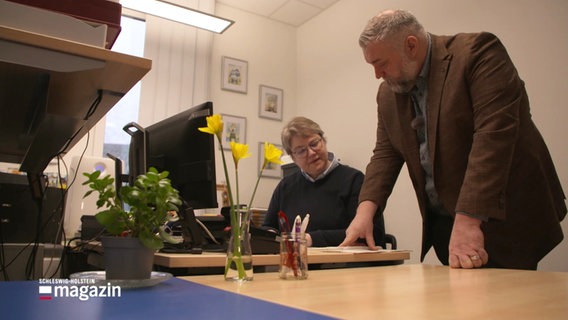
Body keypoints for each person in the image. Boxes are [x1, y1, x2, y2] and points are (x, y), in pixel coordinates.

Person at [340, 9, 566, 270]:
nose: (377, 74)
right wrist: (364, 213)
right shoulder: (388, 94)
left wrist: (469, 219)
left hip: (504, 216)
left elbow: (493, 136)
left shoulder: (478, 52)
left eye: (381, 63)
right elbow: (386, 153)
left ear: (411, 45)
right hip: (449, 225)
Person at [263, 117, 385, 248]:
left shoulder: (354, 180)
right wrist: (268, 236)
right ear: (293, 157)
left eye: (314, 144)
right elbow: (269, 227)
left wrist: (311, 239)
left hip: (341, 264)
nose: (311, 153)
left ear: (324, 141)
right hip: (295, 263)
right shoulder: (285, 186)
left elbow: (373, 233)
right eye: (301, 150)